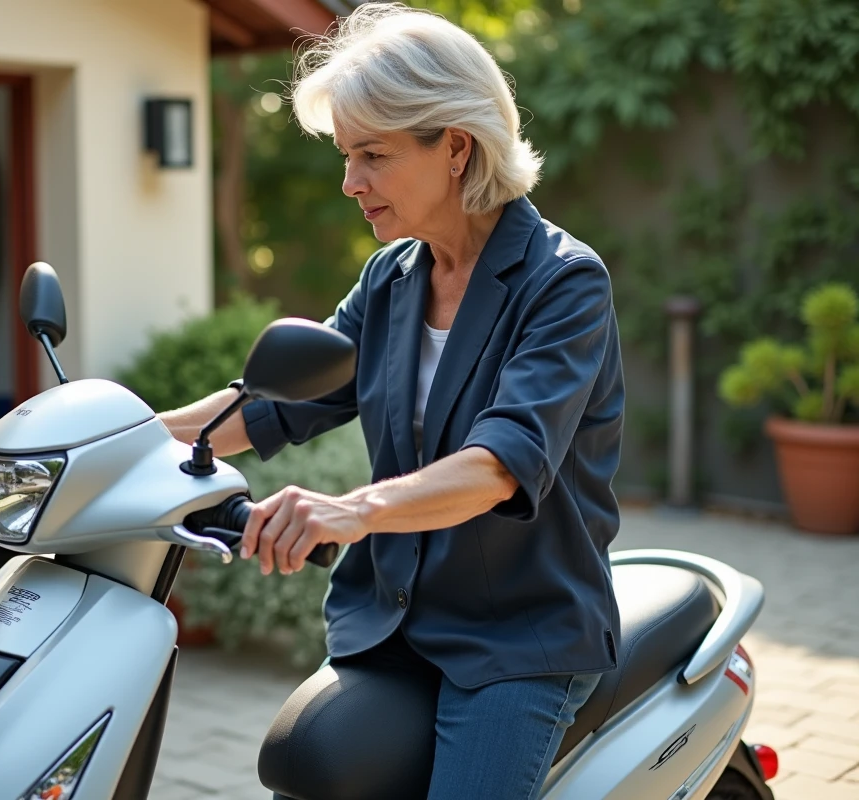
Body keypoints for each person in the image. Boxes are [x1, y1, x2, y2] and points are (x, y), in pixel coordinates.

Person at [159, 4, 624, 798]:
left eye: (371, 155)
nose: (350, 183)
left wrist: (349, 510)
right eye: (346, 156)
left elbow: (498, 466)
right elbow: (272, 405)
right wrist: (116, 437)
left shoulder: (562, 283)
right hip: (393, 625)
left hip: (519, 639)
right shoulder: (392, 279)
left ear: (454, 146)